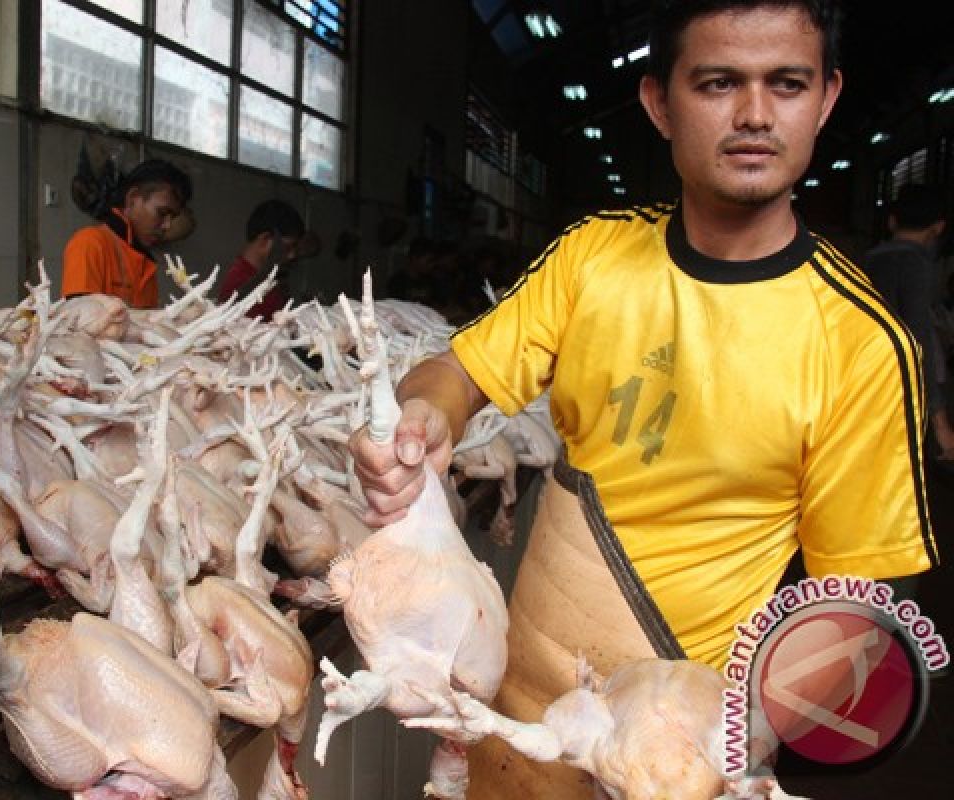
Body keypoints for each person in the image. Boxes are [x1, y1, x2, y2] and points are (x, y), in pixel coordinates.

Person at [350, 1, 936, 796]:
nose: (756, 115)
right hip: (525, 717)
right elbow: (456, 373)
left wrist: (713, 742)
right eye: (720, 82)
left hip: (683, 750)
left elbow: (854, 607)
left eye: (787, 84)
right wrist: (423, 419)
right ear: (660, 101)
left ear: (826, 100)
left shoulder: (860, 344)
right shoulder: (594, 257)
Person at [862, 184, 954, 458]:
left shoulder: (863, 261)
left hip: (865, 382)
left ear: (892, 221)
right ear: (938, 227)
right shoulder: (914, 264)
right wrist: (941, 424)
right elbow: (917, 338)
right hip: (901, 391)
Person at [60, 158, 192, 309]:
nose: (167, 225)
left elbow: (146, 328)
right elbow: (80, 319)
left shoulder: (146, 265)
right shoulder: (90, 243)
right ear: (132, 199)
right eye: (162, 213)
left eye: (172, 217)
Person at [216, 199, 306, 320]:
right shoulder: (239, 284)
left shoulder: (267, 278)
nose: (292, 255)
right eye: (287, 247)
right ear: (265, 239)